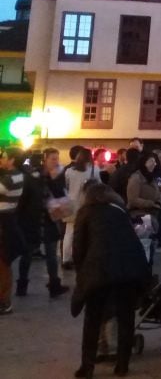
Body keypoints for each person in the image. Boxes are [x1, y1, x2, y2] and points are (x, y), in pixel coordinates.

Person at [71, 181, 150, 378]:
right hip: (128, 271)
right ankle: (122, 364)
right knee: (126, 318)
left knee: (93, 319)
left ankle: (87, 367)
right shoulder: (120, 211)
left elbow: (78, 248)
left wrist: (82, 274)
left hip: (99, 271)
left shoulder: (85, 213)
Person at [16, 147, 68, 299]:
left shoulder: (57, 176)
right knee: (27, 254)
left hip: (49, 219)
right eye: (53, 159)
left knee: (51, 254)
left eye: (57, 159)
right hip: (32, 220)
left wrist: (54, 180)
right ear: (44, 160)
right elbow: (24, 199)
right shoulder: (32, 176)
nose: (56, 162)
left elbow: (60, 194)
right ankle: (22, 285)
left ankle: (54, 285)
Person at [63, 147, 101, 268]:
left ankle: (66, 259)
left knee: (69, 233)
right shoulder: (94, 170)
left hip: (71, 205)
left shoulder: (69, 171)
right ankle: (82, 257)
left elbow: (66, 187)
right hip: (87, 204)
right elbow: (99, 186)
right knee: (86, 232)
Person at [0, 146, 27, 315]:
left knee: (2, 264)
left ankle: (4, 301)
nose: (1, 159)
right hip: (8, 221)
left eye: (3, 157)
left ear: (11, 160)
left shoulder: (10, 178)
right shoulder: (17, 175)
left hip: (3, 224)